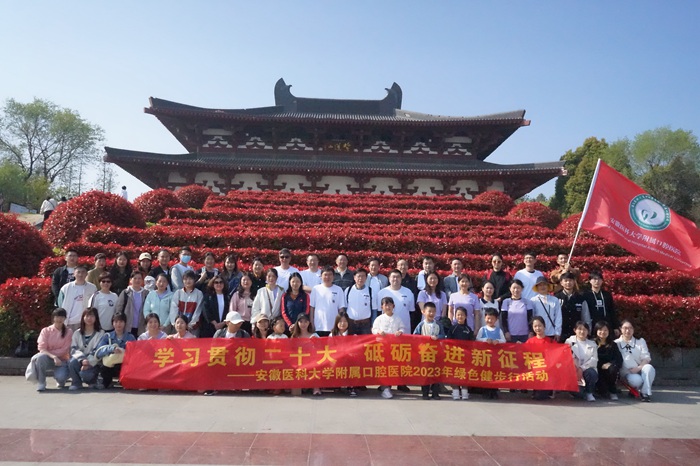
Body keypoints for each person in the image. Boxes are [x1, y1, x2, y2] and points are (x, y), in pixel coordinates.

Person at [32, 308, 72, 392]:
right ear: (53, 318)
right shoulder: (45, 331)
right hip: (48, 358)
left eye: (62, 317)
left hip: (62, 360)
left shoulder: (69, 332)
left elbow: (65, 349)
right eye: (57, 317)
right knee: (40, 357)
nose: (59, 319)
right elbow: (42, 348)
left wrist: (53, 354)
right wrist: (53, 356)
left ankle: (60, 380)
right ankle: (41, 382)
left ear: (65, 318)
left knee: (61, 378)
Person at [372, 297, 405, 399]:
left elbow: (402, 327)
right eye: (385, 305)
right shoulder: (379, 319)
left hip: (394, 348)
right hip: (382, 347)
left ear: (393, 306)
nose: (388, 307)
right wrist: (378, 332)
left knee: (392, 367)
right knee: (383, 367)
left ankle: (388, 386)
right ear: (382, 307)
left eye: (390, 305)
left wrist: (400, 331)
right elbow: (374, 329)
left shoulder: (397, 318)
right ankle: (385, 387)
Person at [615, 319, 655, 402]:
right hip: (627, 373)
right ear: (620, 329)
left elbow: (646, 357)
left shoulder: (640, 341)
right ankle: (634, 389)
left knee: (649, 368)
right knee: (637, 381)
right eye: (625, 328)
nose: (628, 330)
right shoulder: (616, 343)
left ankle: (644, 393)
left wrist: (639, 368)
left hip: (640, 369)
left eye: (630, 328)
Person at [413, 302, 445, 400]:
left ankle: (435, 393)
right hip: (424, 354)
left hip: (436, 353)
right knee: (425, 373)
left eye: (433, 311)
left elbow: (443, 335)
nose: (431, 313)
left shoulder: (438, 324)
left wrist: (438, 337)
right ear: (423, 312)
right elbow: (415, 336)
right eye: (429, 311)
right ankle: (425, 393)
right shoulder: (421, 324)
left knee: (436, 372)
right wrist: (423, 339)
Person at [95, 313, 135, 389]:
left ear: (125, 323)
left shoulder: (130, 337)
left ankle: (125, 381)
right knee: (105, 368)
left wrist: (126, 350)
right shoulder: (107, 336)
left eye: (121, 322)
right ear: (112, 323)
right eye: (116, 322)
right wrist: (111, 349)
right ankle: (106, 382)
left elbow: (136, 353)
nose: (118, 324)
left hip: (124, 364)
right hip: (110, 365)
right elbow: (99, 351)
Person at [67, 307, 104, 390]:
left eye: (92, 316)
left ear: (96, 318)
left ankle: (93, 381)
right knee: (72, 362)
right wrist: (82, 359)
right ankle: (76, 383)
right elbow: (73, 349)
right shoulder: (77, 333)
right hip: (81, 360)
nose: (89, 318)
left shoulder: (100, 333)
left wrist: (88, 362)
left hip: (93, 362)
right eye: (87, 316)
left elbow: (98, 350)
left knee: (86, 375)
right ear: (83, 318)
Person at [476, 308, 506, 399]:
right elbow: (477, 339)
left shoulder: (499, 330)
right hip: (485, 356)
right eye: (488, 318)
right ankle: (486, 391)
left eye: (492, 319)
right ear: (485, 318)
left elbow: (504, 340)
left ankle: (494, 390)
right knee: (485, 373)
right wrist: (485, 340)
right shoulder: (482, 329)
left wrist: (498, 341)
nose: (490, 320)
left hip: (495, 357)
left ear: (496, 319)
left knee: (495, 373)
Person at [565, 321, 599, 402]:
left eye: (584, 329)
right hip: (573, 371)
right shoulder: (569, 342)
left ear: (588, 331)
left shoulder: (592, 344)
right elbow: (566, 358)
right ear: (575, 330)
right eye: (579, 329)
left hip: (586, 370)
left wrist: (581, 368)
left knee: (592, 373)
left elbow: (594, 360)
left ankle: (589, 393)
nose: (582, 331)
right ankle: (578, 392)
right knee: (578, 393)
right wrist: (576, 369)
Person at [57, 265, 97, 331]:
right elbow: (60, 304)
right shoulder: (66, 288)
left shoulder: (92, 288)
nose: (80, 274)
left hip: (85, 321)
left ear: (86, 274)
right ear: (73, 274)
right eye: (78, 272)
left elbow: (94, 304)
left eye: (83, 272)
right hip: (69, 321)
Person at [310, 266, 347, 337]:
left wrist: (340, 324)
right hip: (319, 326)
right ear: (321, 276)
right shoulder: (316, 289)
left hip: (333, 327)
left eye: (330, 275)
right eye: (325, 275)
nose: (327, 277)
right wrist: (312, 323)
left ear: (333, 276)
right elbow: (312, 308)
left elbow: (341, 309)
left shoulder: (338, 290)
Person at [378, 269, 416, 337]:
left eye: (398, 277)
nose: (395, 279)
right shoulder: (382, 292)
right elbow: (379, 311)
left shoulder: (408, 292)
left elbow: (411, 311)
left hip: (404, 330)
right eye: (393, 277)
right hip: (386, 331)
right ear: (389, 278)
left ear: (401, 278)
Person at [290, 313, 321, 396]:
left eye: (305, 321)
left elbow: (321, 349)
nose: (303, 324)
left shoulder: (314, 335)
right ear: (297, 323)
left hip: (311, 360)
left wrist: (315, 344)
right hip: (298, 361)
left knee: (316, 365)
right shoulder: (295, 336)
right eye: (301, 322)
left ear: (309, 323)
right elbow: (290, 350)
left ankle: (316, 387)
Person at [446, 307, 473, 400]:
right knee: (454, 373)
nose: (460, 316)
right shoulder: (452, 328)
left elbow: (472, 343)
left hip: (465, 356)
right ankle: (455, 391)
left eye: (462, 315)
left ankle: (465, 392)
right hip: (454, 356)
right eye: (458, 315)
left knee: (464, 373)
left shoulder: (468, 329)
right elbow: (448, 342)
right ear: (455, 316)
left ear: (466, 316)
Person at [555, 272, 591, 342]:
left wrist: (587, 331)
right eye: (566, 281)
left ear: (574, 282)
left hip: (577, 333)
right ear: (561, 283)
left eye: (570, 280)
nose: (568, 283)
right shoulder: (556, 298)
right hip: (561, 333)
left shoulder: (581, 298)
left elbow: (586, 317)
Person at [527, 316, 555, 400]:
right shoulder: (530, 341)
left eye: (539, 326)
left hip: (547, 370)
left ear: (544, 326)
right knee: (539, 396)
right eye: (535, 326)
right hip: (535, 369)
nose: (537, 328)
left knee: (541, 396)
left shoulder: (551, 341)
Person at [583, 271, 619, 335]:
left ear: (602, 281)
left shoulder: (607, 295)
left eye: (599, 279)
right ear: (590, 281)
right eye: (594, 279)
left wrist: (615, 327)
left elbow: (612, 311)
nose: (597, 281)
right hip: (592, 325)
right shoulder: (585, 295)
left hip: (606, 324)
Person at [169, 270, 204, 336]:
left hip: (192, 329)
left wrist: (190, 325)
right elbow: (173, 310)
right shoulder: (178, 293)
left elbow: (198, 311)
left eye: (190, 279)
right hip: (178, 327)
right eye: (185, 279)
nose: (188, 281)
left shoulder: (199, 294)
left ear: (194, 280)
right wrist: (175, 324)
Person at [115, 270, 149, 338]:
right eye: (135, 278)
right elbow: (119, 309)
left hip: (141, 326)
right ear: (131, 280)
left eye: (139, 278)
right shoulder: (125, 292)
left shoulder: (146, 293)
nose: (137, 280)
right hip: (127, 326)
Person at [594, 321, 623, 401]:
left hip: (609, 370)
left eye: (605, 330)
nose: (603, 332)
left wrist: (610, 364)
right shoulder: (592, 343)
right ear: (596, 330)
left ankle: (612, 391)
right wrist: (600, 365)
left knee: (613, 369)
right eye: (600, 330)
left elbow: (619, 359)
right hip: (596, 369)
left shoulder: (613, 344)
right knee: (602, 391)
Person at [330, 312, 357, 396]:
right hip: (336, 358)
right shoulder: (332, 335)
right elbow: (329, 349)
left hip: (349, 358)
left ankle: (351, 386)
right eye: (340, 321)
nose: (342, 323)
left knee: (352, 362)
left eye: (345, 321)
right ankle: (337, 385)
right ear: (336, 323)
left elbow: (355, 350)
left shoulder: (353, 335)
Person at [531, 276, 562, 341]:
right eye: (540, 285)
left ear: (548, 286)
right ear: (537, 287)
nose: (542, 287)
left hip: (552, 333)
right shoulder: (533, 300)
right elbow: (532, 317)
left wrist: (557, 332)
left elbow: (558, 317)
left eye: (544, 284)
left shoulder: (555, 300)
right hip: (538, 333)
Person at [345, 268, 374, 335]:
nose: (361, 278)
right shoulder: (348, 290)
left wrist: (373, 324)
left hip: (365, 324)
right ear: (354, 277)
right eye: (359, 276)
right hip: (351, 323)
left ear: (366, 278)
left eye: (363, 276)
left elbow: (374, 309)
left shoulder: (370, 291)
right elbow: (345, 308)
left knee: (366, 341)